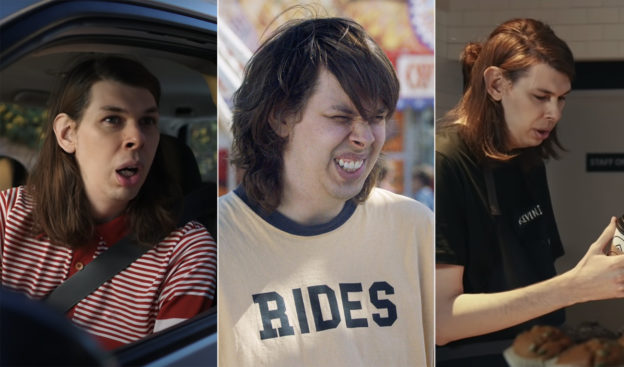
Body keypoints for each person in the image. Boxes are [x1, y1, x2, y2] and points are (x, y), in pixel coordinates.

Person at [219, 16, 434, 366]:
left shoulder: (414, 229)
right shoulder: (216, 245)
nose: (364, 137)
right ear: (280, 118)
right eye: (340, 117)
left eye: (377, 117)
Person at [435, 18, 624, 366]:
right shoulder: (445, 162)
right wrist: (574, 287)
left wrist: (595, 277)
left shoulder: (527, 159)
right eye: (541, 97)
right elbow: (441, 321)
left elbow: (538, 282)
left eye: (561, 99)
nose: (554, 113)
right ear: (495, 84)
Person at [0, 56, 217, 350]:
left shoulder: (186, 250)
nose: (137, 138)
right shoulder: (8, 213)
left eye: (148, 122)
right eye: (112, 120)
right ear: (67, 134)